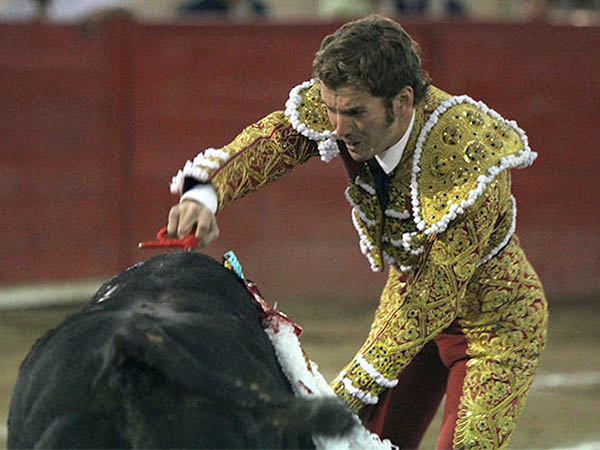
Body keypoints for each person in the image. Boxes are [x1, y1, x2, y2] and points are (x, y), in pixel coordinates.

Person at [166, 15, 548, 449]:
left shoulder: (467, 156)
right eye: (331, 109)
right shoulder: (344, 108)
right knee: (360, 443)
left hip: (495, 323)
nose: (338, 127)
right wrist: (205, 195)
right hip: (409, 295)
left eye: (354, 113)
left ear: (402, 101)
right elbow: (273, 141)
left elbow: (436, 294)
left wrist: (345, 392)